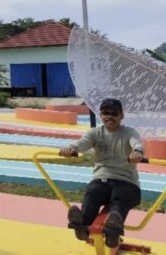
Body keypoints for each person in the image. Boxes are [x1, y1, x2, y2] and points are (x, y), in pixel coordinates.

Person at [59, 98, 145, 248]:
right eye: (105, 113)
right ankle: (82, 226)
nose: (109, 116)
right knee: (93, 193)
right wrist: (72, 148)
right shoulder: (95, 133)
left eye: (114, 113)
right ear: (100, 115)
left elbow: (136, 143)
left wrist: (137, 152)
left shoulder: (129, 132)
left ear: (121, 116)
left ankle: (113, 230)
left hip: (126, 180)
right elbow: (83, 142)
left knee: (120, 197)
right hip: (102, 178)